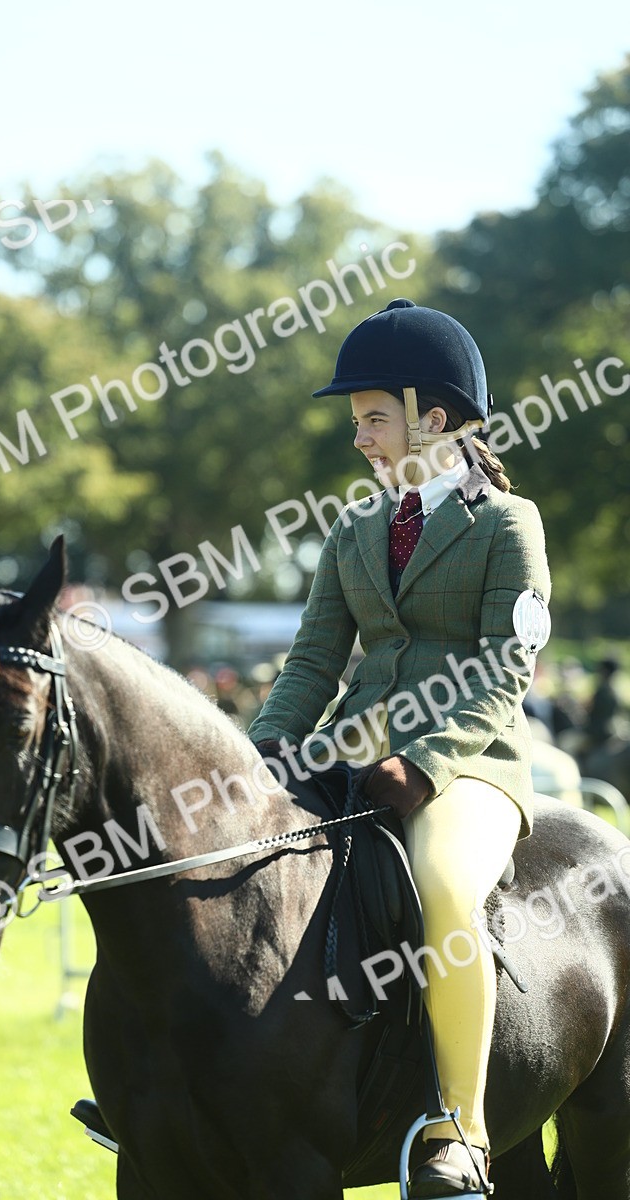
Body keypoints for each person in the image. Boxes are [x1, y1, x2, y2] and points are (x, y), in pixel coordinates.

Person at [248, 298, 552, 1198]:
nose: (360, 439)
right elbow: (313, 661)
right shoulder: (351, 532)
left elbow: (508, 665)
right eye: (355, 422)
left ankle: (461, 1124)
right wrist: (263, 749)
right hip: (355, 755)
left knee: (446, 888)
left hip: (470, 766)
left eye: (372, 417)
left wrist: (424, 763)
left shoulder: (508, 523)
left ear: (436, 417)